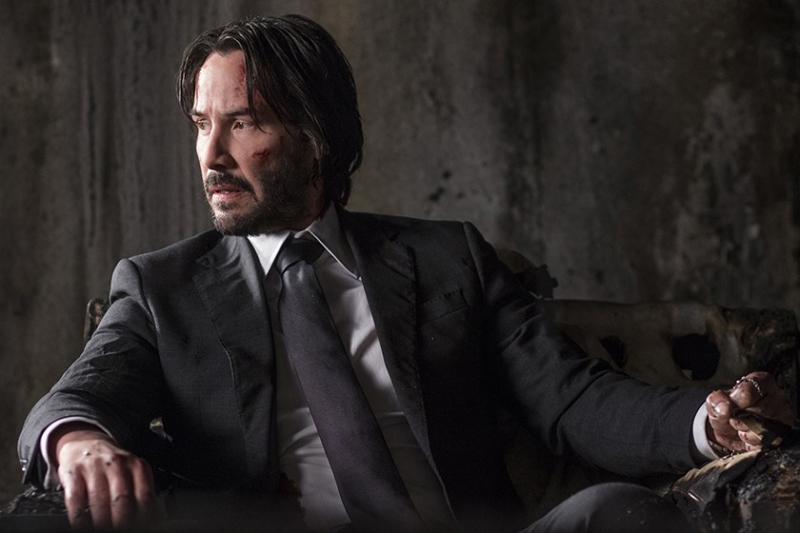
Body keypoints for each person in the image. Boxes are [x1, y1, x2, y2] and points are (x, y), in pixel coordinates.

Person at [17, 14, 795, 533]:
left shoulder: (446, 258)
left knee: (618, 511)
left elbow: (571, 398)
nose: (211, 155)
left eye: (243, 122)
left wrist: (707, 419)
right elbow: (77, 396)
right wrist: (78, 441)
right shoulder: (163, 288)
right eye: (200, 124)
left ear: (316, 137)